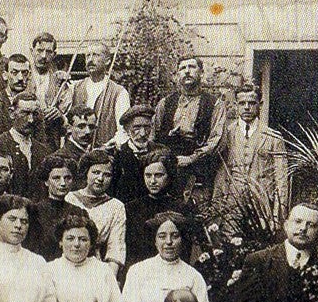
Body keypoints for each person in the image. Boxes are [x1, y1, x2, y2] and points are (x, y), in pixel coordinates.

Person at [121, 212, 214, 302]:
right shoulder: (137, 271)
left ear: (182, 239)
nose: (168, 242)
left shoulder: (194, 277)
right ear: (155, 241)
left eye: (175, 236)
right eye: (162, 236)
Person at [154, 56, 228, 201]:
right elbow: (154, 135)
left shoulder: (214, 104)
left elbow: (217, 140)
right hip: (169, 171)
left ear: (201, 73)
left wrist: (191, 158)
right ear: (177, 75)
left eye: (192, 67)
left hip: (199, 174)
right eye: (182, 68)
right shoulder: (165, 103)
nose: (187, 71)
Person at [211, 82, 289, 213]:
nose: (247, 107)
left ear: (260, 104)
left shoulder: (273, 138)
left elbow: (281, 180)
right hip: (231, 206)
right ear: (236, 105)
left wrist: (278, 214)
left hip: (262, 208)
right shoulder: (225, 135)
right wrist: (216, 212)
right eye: (242, 103)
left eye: (252, 103)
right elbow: (221, 176)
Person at [124, 150, 197, 270]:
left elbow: (186, 249)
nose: (152, 181)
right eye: (148, 175)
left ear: (169, 176)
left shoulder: (181, 207)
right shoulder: (131, 208)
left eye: (158, 175)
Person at [66, 150, 126, 277]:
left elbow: (115, 246)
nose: (100, 179)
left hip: (97, 267)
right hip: (67, 264)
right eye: (96, 172)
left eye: (107, 175)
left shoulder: (116, 206)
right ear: (86, 173)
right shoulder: (70, 198)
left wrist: (109, 279)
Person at [0, 90, 53, 199]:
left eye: (35, 114)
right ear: (12, 113)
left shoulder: (43, 151)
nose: (31, 120)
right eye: (25, 113)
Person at [27, 156, 87, 260]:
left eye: (67, 178)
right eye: (56, 178)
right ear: (46, 181)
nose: (63, 183)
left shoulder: (79, 212)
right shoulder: (34, 211)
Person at [69, 42, 130, 147]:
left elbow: (123, 130)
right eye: (88, 56)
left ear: (107, 61)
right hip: (77, 154)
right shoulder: (74, 88)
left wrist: (108, 146)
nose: (90, 60)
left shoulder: (119, 92)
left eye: (96, 55)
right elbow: (66, 122)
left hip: (105, 154)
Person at [108, 106, 167, 204]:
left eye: (147, 127)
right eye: (137, 128)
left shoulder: (161, 151)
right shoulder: (116, 154)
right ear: (126, 130)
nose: (143, 134)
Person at [29, 33, 73, 147]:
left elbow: (68, 119)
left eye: (48, 52)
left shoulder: (60, 82)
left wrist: (59, 115)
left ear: (54, 54)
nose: (44, 56)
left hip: (51, 142)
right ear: (31, 51)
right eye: (39, 50)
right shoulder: (22, 76)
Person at [48, 105, 98, 170]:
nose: (88, 132)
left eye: (91, 127)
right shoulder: (60, 157)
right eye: (81, 126)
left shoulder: (98, 150)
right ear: (69, 128)